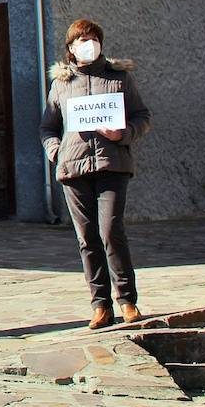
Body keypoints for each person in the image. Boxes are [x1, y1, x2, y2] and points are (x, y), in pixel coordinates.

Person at [40, 19, 151, 329]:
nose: (88, 43)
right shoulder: (61, 84)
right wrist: (56, 152)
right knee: (87, 239)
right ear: (71, 48)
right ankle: (100, 305)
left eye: (93, 38)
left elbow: (142, 115)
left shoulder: (119, 78)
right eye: (81, 39)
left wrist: (124, 134)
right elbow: (47, 126)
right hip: (73, 170)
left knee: (111, 231)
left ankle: (127, 300)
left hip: (112, 165)